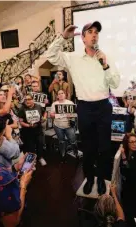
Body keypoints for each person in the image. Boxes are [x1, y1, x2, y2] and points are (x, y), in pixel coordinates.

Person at [46, 21, 120, 195]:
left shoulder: (106, 57)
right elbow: (51, 55)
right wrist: (63, 37)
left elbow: (115, 83)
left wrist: (105, 65)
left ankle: (102, 179)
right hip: (85, 107)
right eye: (90, 32)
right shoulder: (73, 58)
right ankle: (89, 178)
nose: (94, 35)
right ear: (83, 37)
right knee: (88, 147)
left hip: (103, 107)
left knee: (104, 148)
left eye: (97, 32)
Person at [119, 133, 136, 224]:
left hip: (135, 186)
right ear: (127, 144)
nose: (134, 144)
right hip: (130, 183)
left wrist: (123, 156)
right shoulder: (130, 153)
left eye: (135, 142)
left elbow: (128, 170)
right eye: (131, 142)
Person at [18, 94, 47, 166]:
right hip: (28, 131)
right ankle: (32, 162)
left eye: (29, 99)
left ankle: (40, 158)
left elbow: (45, 112)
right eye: (26, 100)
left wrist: (44, 118)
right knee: (30, 147)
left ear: (33, 100)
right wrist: (28, 125)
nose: (27, 101)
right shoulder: (22, 109)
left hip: (38, 129)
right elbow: (20, 121)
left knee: (40, 144)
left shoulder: (38, 106)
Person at [50, 89, 77, 162]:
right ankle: (63, 153)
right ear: (57, 96)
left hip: (69, 126)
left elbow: (74, 114)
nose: (61, 94)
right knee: (61, 141)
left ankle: (75, 152)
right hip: (58, 126)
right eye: (59, 94)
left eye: (62, 93)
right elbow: (51, 115)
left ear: (65, 95)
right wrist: (57, 115)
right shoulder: (54, 104)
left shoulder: (70, 103)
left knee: (73, 141)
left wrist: (70, 115)